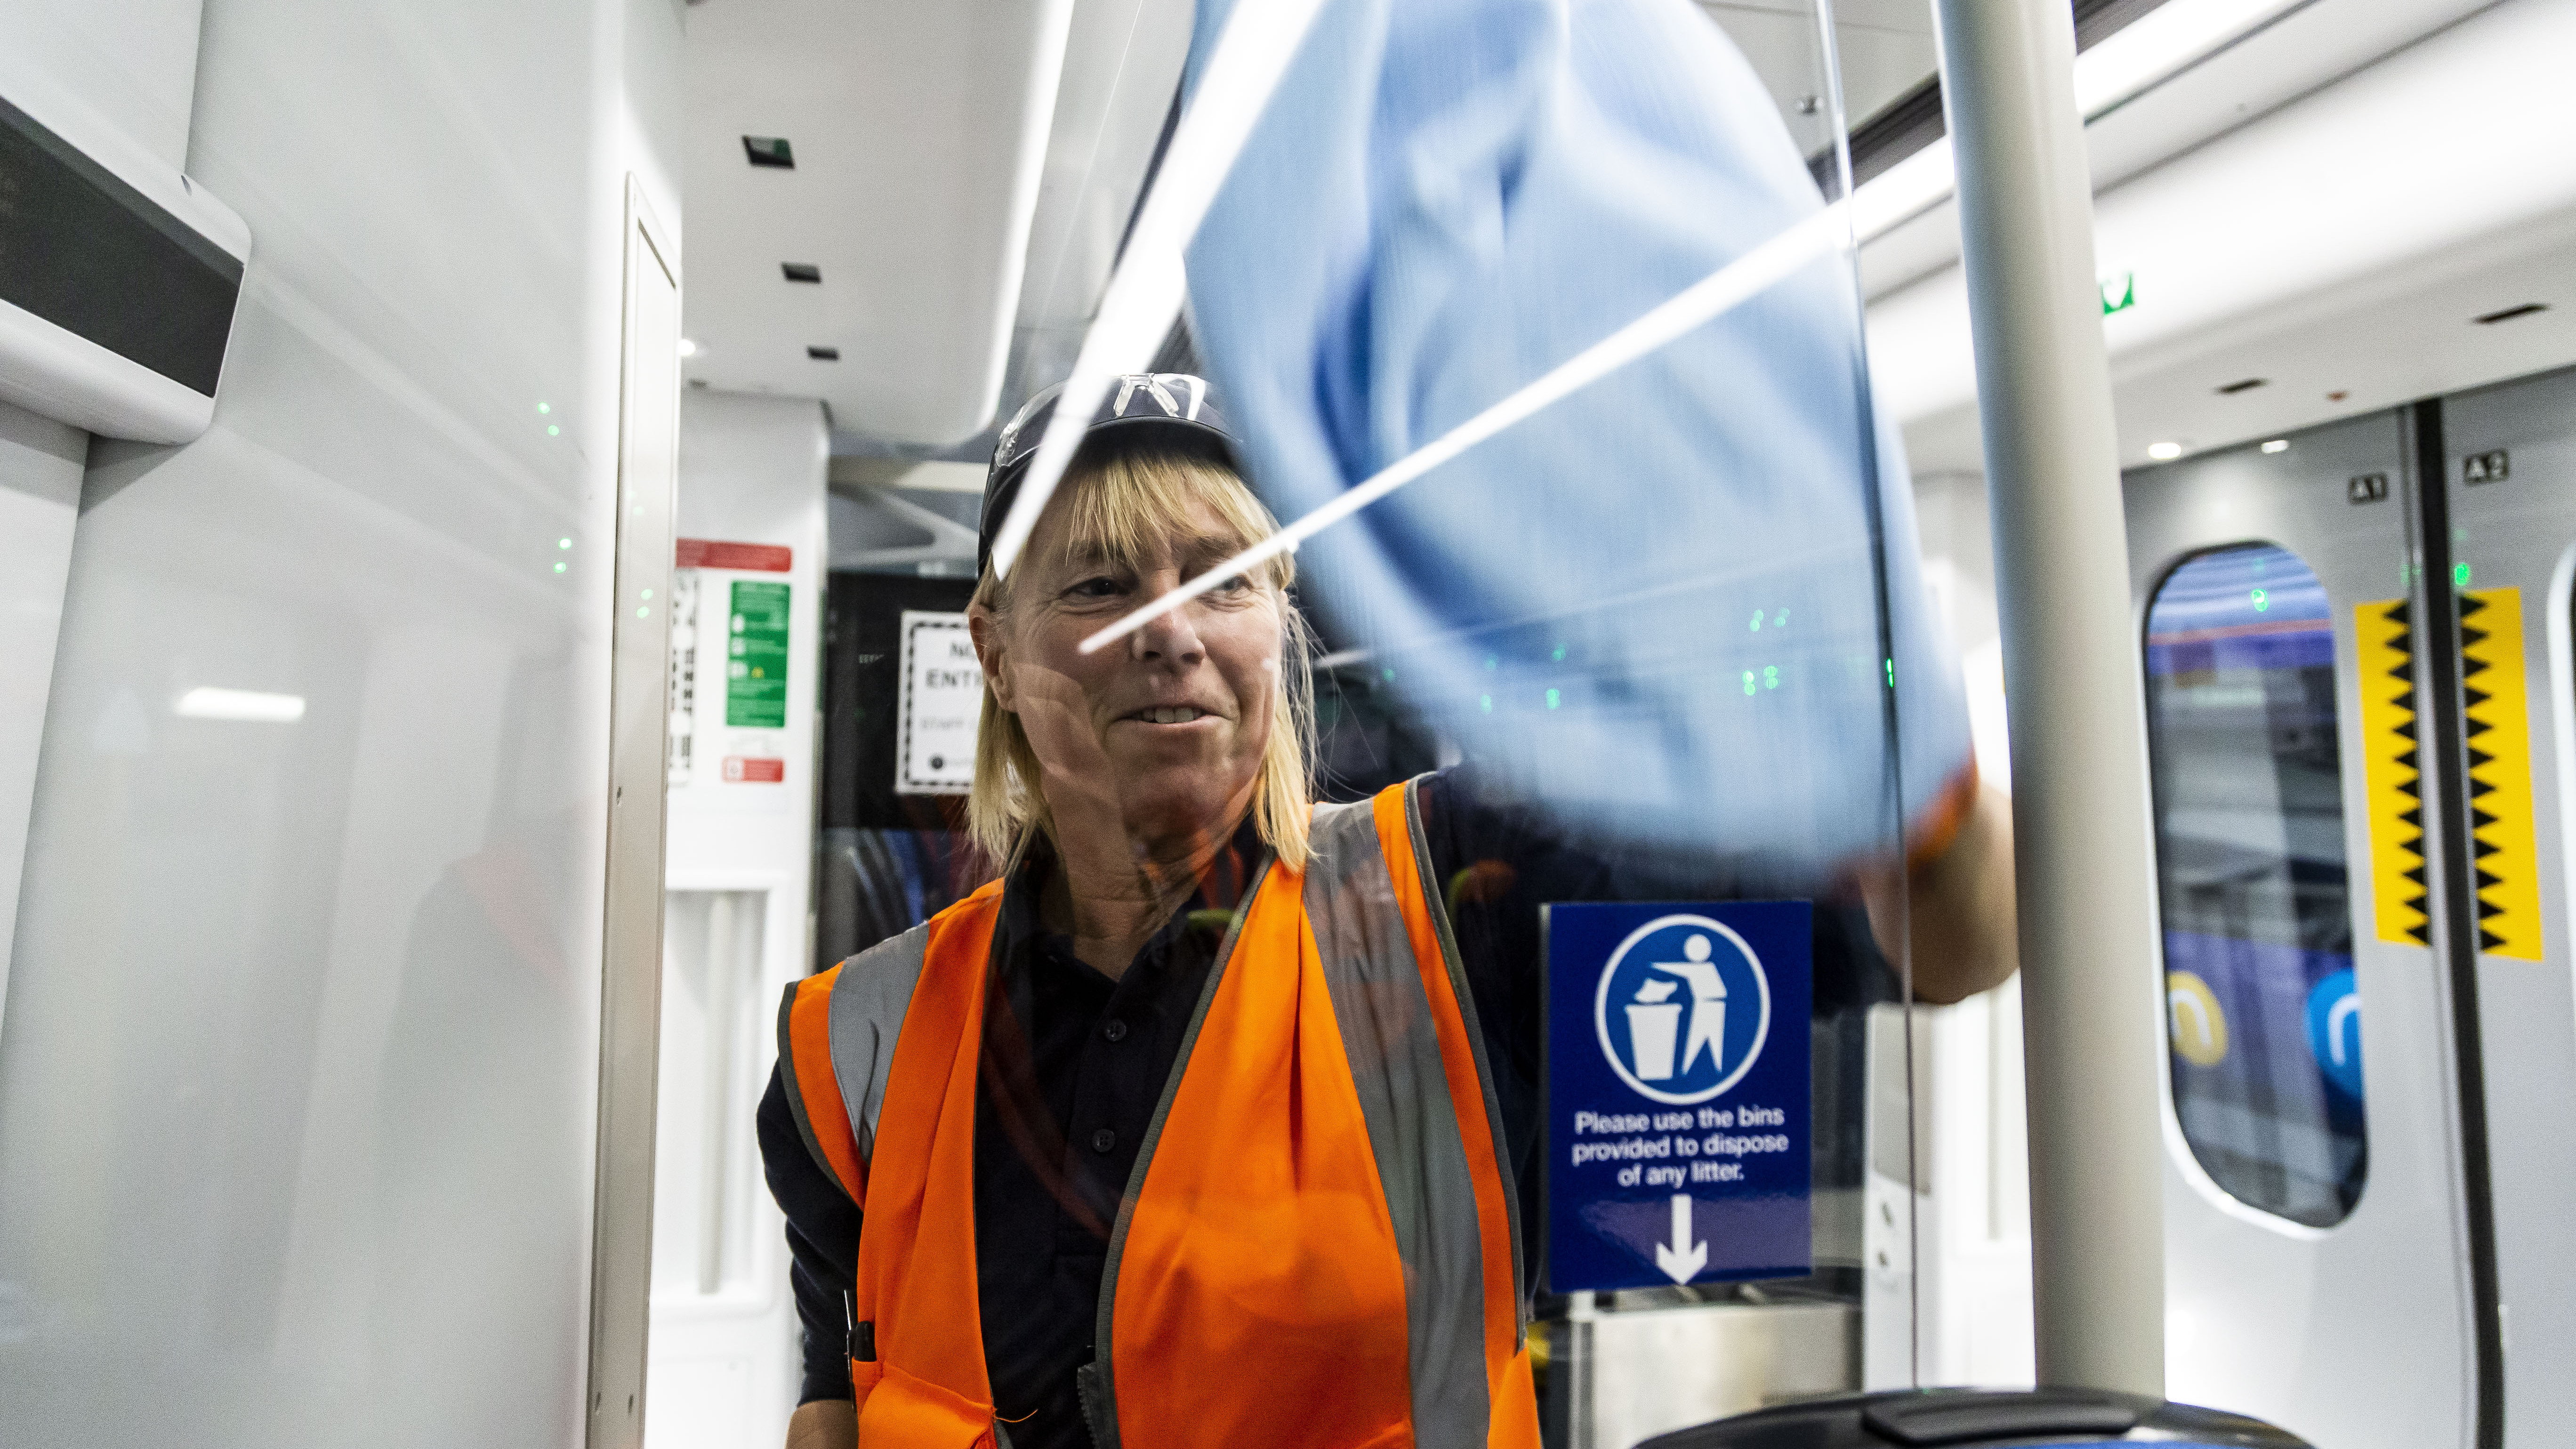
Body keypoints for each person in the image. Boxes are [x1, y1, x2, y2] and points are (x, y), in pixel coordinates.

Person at [757, 374, 2016, 1449]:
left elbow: (1961, 939)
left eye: (1224, 580)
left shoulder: (1463, 902)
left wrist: (1898, 715)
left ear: (1279, 620)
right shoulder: (851, 1052)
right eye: (1097, 586)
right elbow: (835, 1410)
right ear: (992, 647)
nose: (1170, 631)